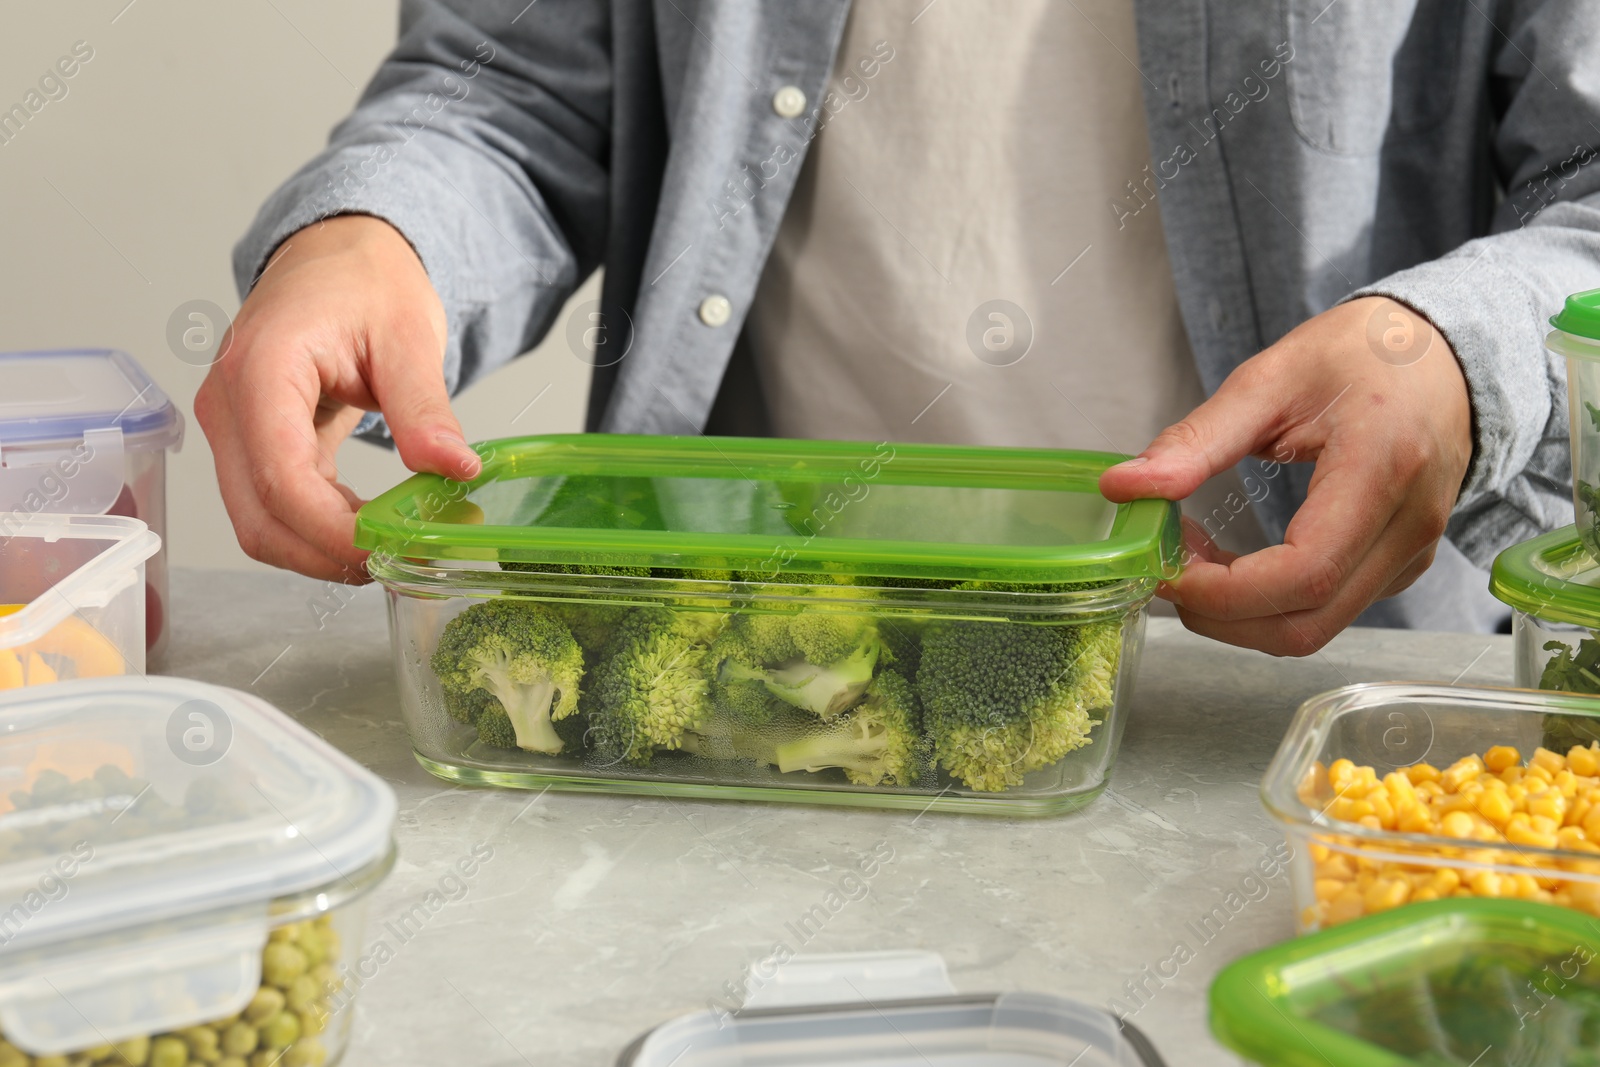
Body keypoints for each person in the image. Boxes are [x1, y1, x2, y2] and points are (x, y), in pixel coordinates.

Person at [198, 0, 1600, 656]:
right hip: (749, 660)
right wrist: (368, 235)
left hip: (1321, 683)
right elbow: (509, 90)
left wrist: (1453, 364)